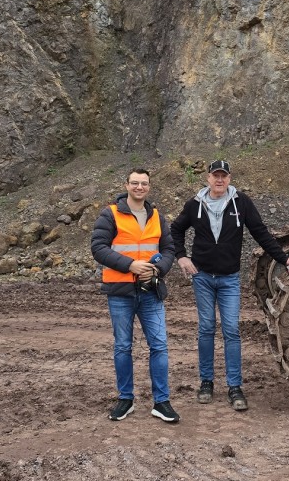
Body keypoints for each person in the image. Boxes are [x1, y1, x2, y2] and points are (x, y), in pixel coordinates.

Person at [171, 160, 289, 411]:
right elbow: (175, 230)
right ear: (208, 178)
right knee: (207, 328)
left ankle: (234, 386)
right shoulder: (194, 204)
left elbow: (261, 233)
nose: (219, 180)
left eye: (224, 176)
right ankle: (206, 382)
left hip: (229, 279)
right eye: (215, 175)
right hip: (202, 277)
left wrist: (284, 259)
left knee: (231, 330)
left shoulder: (241, 203)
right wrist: (181, 256)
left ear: (229, 178)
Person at [90, 169, 179, 424]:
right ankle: (125, 399)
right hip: (120, 292)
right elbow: (98, 248)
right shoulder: (111, 214)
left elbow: (168, 248)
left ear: (149, 187)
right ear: (127, 185)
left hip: (150, 291)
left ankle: (161, 402)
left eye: (144, 184)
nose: (140, 187)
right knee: (122, 347)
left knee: (159, 346)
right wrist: (130, 266)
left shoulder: (156, 217)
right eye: (135, 183)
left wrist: (158, 269)